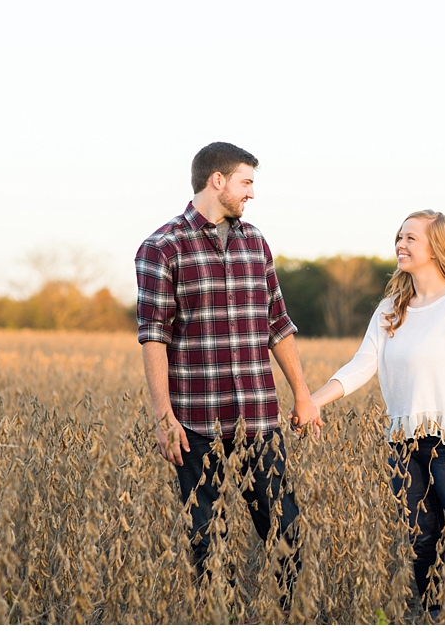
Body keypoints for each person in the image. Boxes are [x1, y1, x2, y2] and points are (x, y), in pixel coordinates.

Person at [134, 142, 322, 607]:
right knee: (208, 545)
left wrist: (302, 394)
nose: (251, 194)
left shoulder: (255, 242)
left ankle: (291, 620)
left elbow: (278, 324)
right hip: (197, 425)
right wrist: (163, 417)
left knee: (288, 530)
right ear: (217, 180)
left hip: (259, 419)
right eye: (246, 182)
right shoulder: (161, 248)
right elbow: (153, 336)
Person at [304, 211, 445, 620]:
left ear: (437, 247)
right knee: (422, 544)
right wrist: (312, 401)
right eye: (399, 236)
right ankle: (435, 618)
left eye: (411, 238)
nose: (401, 244)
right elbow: (362, 365)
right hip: (404, 446)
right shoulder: (390, 308)